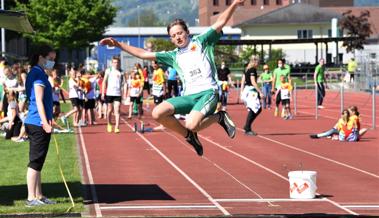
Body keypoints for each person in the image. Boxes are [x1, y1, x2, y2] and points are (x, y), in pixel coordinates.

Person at [99, 0, 244, 156]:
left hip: (208, 92)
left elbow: (220, 22)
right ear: (171, 40)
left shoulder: (202, 41)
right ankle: (189, 136)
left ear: (187, 32)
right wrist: (118, 44)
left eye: (180, 33)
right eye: (174, 36)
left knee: (191, 123)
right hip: (189, 96)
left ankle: (219, 117)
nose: (178, 37)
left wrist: (234, 4)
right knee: (157, 113)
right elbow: (143, 54)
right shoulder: (173, 56)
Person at [24, 45, 56, 206]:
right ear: (40, 57)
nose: (52, 63)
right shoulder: (37, 74)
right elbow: (38, 100)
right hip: (37, 123)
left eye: (53, 60)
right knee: (35, 162)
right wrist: (45, 122)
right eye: (50, 59)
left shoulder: (39, 73)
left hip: (37, 121)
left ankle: (39, 195)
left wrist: (49, 118)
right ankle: (31, 198)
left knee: (39, 161)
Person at [240, 56, 264, 136]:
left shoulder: (246, 69)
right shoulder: (252, 70)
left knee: (255, 109)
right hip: (251, 91)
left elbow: (243, 81)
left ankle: (247, 126)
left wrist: (241, 92)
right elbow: (253, 82)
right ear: (255, 62)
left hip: (247, 90)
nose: (258, 64)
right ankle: (247, 128)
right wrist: (260, 92)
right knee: (255, 109)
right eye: (258, 63)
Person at [102, 56, 126, 133]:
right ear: (112, 63)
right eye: (114, 62)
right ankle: (109, 124)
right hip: (109, 93)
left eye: (117, 62)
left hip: (117, 94)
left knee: (117, 110)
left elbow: (125, 83)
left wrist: (125, 94)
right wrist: (103, 92)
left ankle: (117, 127)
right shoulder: (108, 71)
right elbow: (104, 82)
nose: (116, 64)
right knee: (109, 110)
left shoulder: (121, 72)